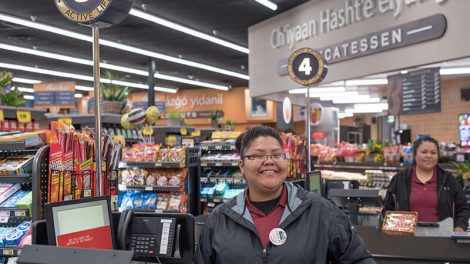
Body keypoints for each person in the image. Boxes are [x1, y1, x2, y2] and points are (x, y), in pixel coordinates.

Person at [195, 125, 375, 264]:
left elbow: (359, 259)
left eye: (277, 155)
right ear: (242, 165)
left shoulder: (320, 211)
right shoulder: (220, 219)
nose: (269, 162)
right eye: (257, 156)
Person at [383, 137, 470, 232]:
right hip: (408, 241)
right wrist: (395, 230)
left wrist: (459, 227)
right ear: (415, 154)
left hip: (443, 240)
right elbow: (388, 208)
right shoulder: (400, 179)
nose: (429, 156)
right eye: (424, 152)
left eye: (433, 153)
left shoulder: (449, 180)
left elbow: (463, 208)